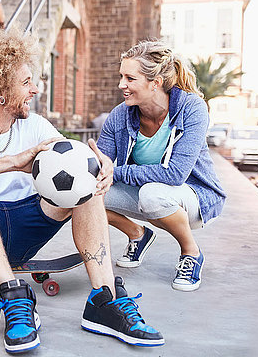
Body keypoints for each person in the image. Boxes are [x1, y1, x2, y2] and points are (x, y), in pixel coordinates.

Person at [0, 30, 164, 354]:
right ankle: (13, 294)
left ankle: (104, 300)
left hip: (24, 236)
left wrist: (99, 164)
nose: (35, 89)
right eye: (25, 82)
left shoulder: (34, 125)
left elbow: (75, 155)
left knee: (84, 182)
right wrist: (10, 162)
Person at [96, 40, 226, 292]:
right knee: (88, 192)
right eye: (121, 76)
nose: (121, 84)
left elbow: (176, 174)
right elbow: (103, 163)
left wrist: (118, 171)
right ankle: (137, 234)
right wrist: (90, 164)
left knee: (152, 194)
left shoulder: (192, 108)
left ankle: (191, 252)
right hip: (146, 193)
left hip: (193, 197)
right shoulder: (120, 115)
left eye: (130, 78)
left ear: (155, 83)